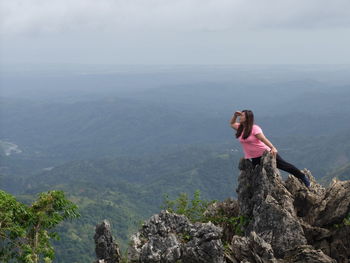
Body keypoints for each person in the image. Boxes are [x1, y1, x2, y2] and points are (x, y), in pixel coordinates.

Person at [230, 109, 310, 188]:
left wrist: (273, 148)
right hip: (254, 157)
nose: (240, 117)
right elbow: (232, 123)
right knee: (257, 176)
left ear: (248, 118)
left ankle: (302, 176)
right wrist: (235, 115)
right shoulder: (240, 128)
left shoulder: (254, 128)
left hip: (265, 153)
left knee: (285, 166)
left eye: (242, 115)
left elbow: (263, 139)